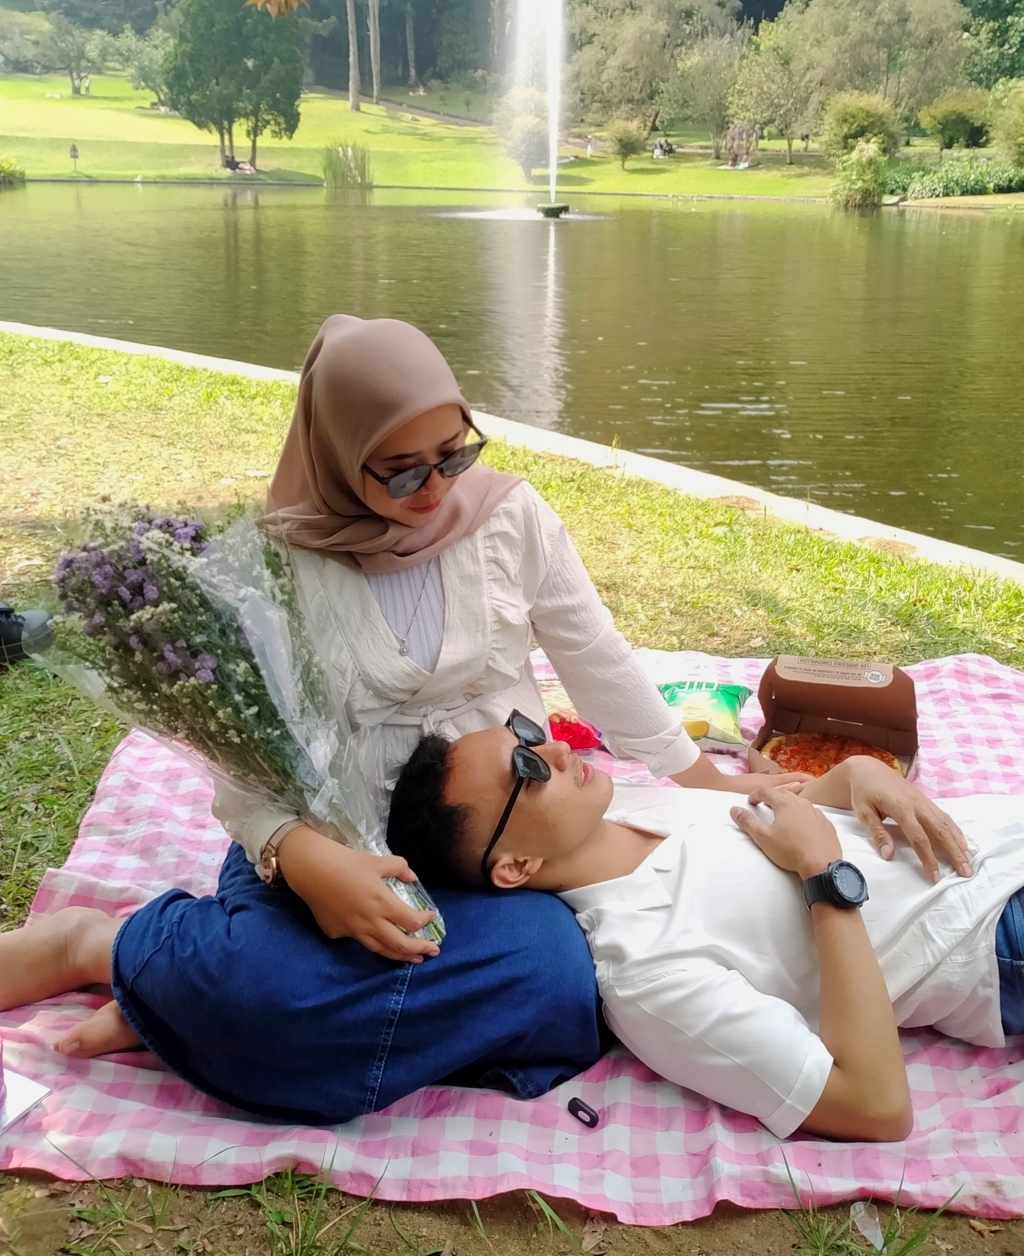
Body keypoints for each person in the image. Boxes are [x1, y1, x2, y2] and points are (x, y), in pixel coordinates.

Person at [0, 316, 809, 1126]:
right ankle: (98, 947)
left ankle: (178, 999)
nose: (435, 488)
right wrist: (305, 858)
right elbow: (240, 751)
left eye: (454, 455)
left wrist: (701, 781)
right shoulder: (277, 562)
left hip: (485, 853)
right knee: (277, 990)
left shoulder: (510, 518)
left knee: (556, 976)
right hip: (322, 844)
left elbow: (598, 661)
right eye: (400, 471)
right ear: (337, 453)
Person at [384, 721, 1024, 1143]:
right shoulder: (648, 975)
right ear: (516, 865)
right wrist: (825, 876)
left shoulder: (627, 804)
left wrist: (856, 774)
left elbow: (784, 817)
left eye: (527, 731)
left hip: (993, 831)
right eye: (528, 769)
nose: (554, 749)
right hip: (993, 935)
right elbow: (876, 1107)